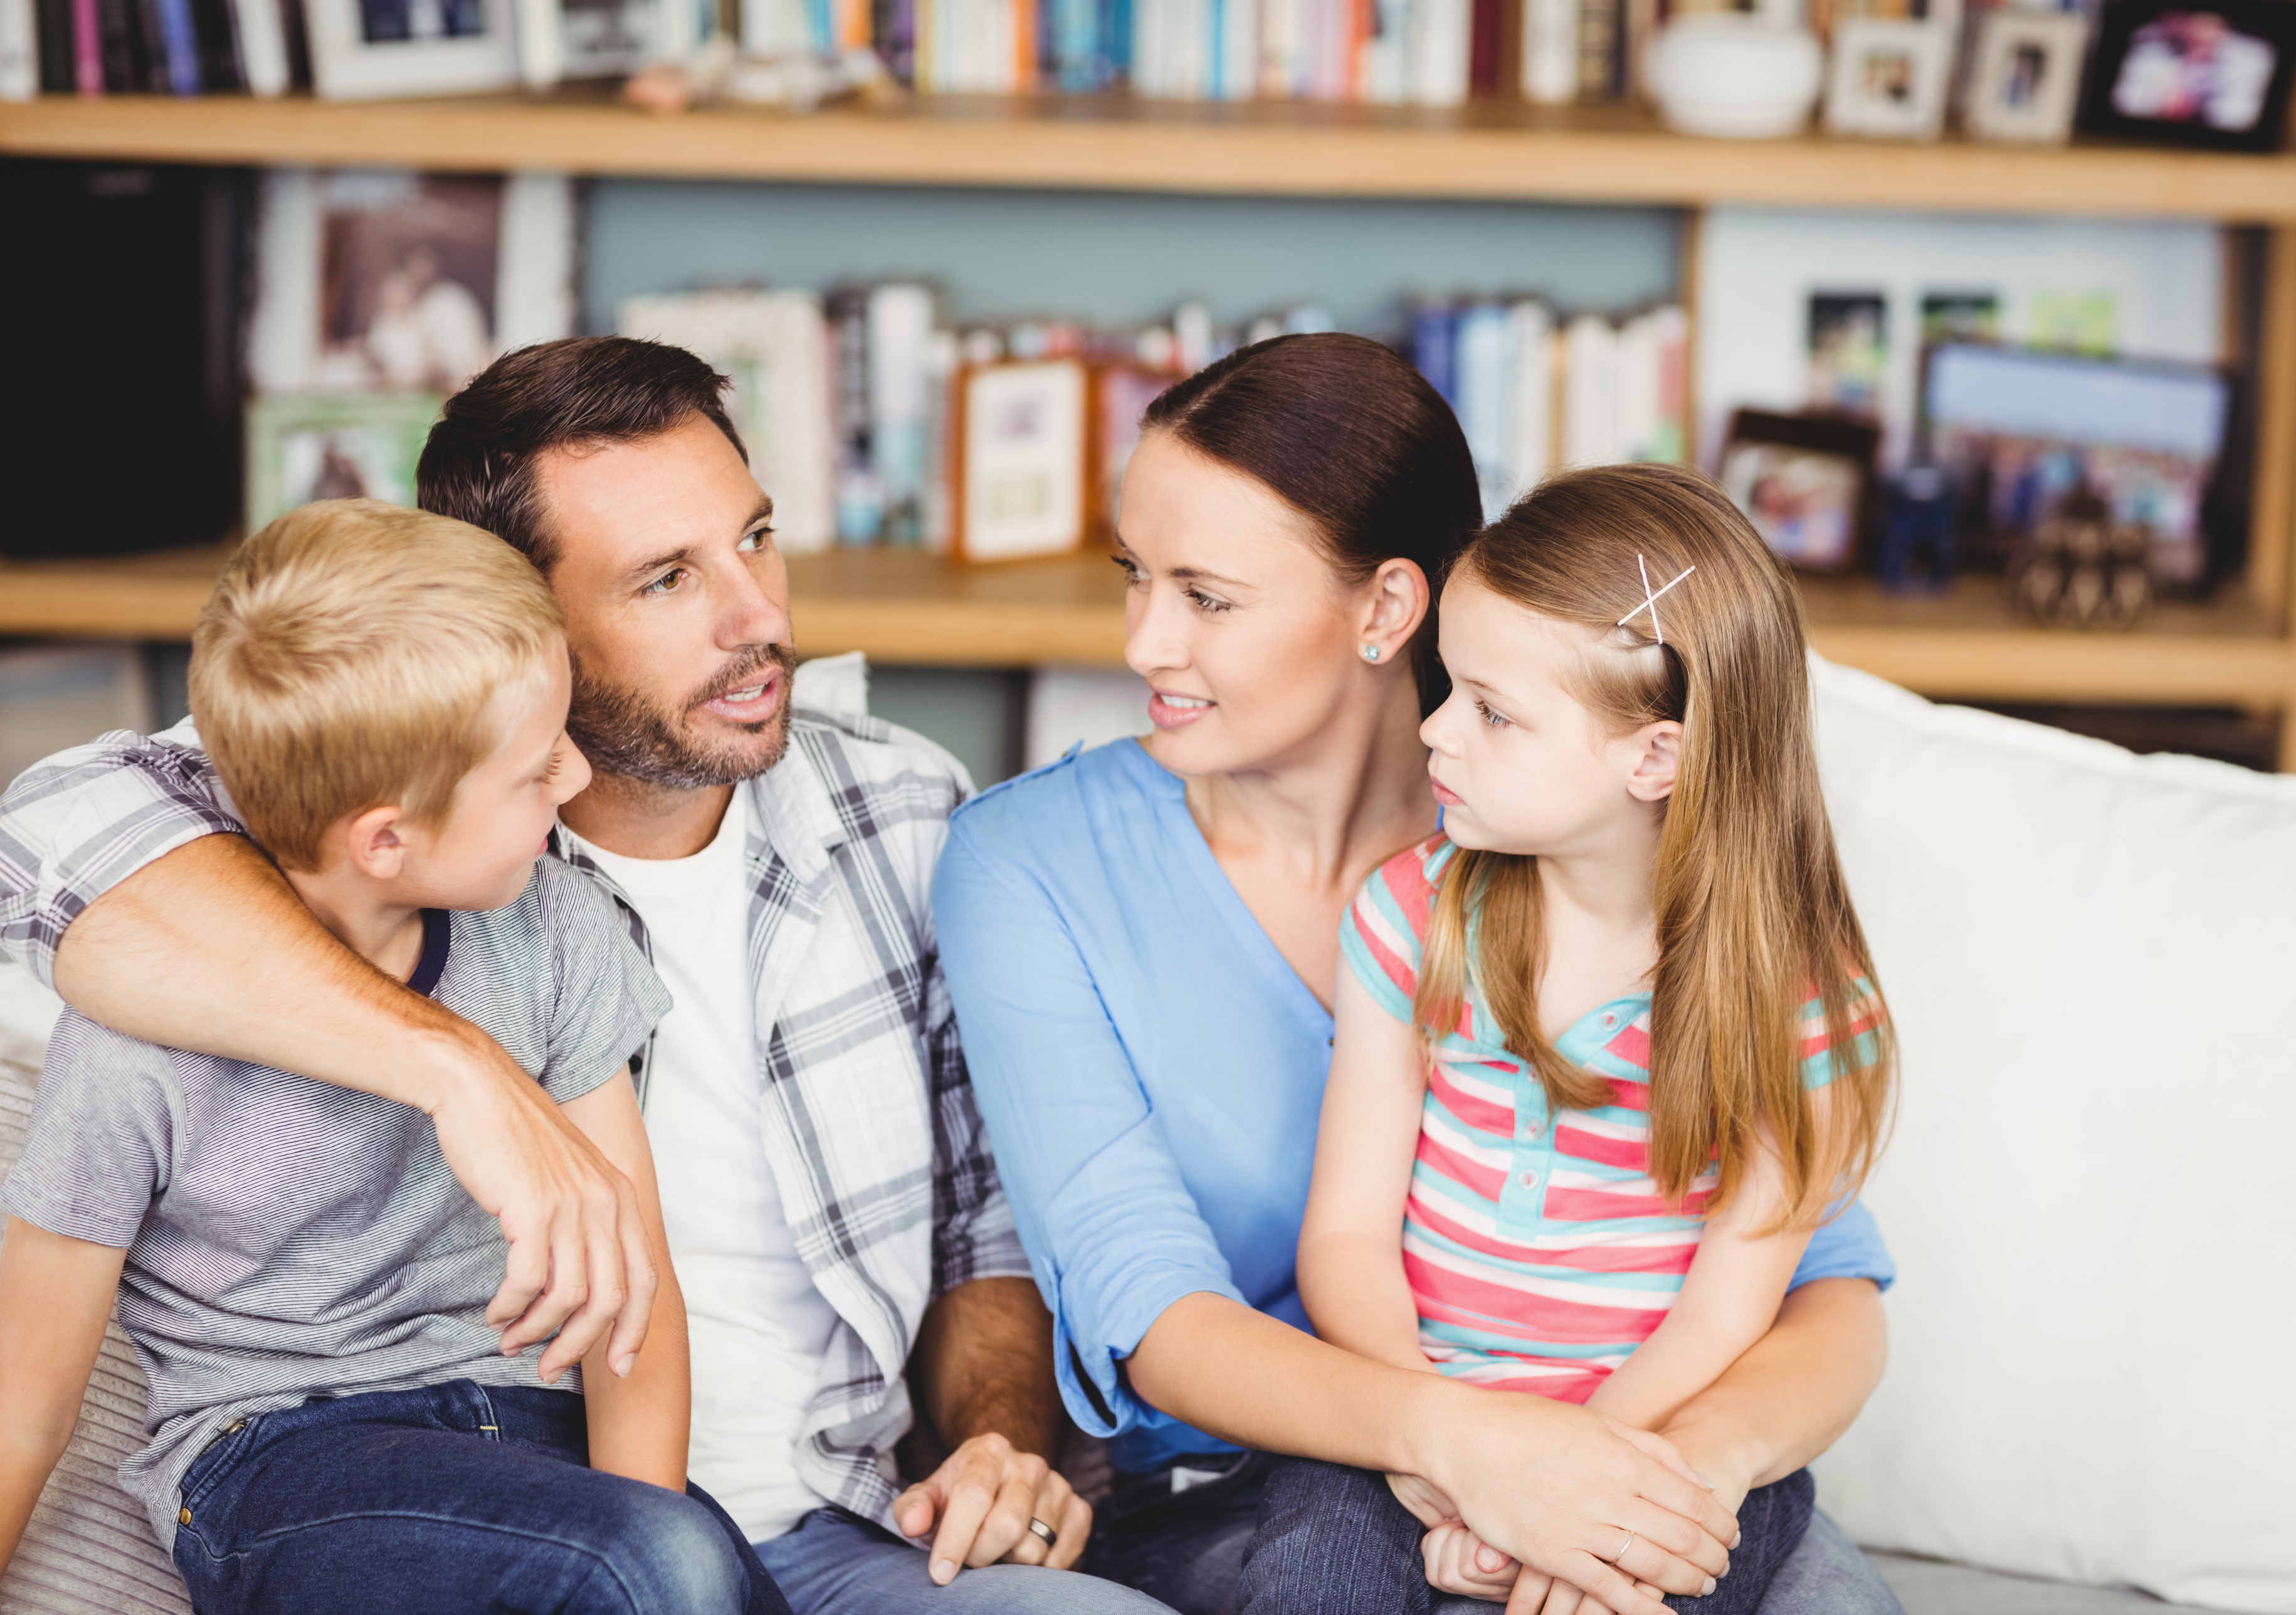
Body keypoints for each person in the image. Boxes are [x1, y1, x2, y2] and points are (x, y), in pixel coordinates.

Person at [0, 338, 1163, 1615]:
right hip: (431, 1496)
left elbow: (975, 1224)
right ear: (512, 620)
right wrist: (459, 1073)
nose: (760, 616)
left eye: (757, 538)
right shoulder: (362, 785)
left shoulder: (901, 808)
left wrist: (1004, 1440)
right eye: (667, 579)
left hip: (813, 1519)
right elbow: (50, 839)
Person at [932, 333, 1905, 1615]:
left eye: (1207, 596)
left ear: (1390, 609)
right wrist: (1471, 1453)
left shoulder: (1567, 840)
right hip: (1263, 1484)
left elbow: (1817, 1289)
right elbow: (1148, 1311)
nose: (1143, 643)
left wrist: (1660, 1475)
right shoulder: (1028, 861)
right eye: (1135, 575)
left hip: (1643, 1445)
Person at [0, 501, 783, 1614]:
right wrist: (652, 1558)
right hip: (278, 1461)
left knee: (682, 1568)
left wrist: (654, 1529)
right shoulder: (134, 1038)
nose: (572, 779)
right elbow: (24, 1401)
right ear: (386, 839)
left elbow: (631, 1305)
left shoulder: (557, 930)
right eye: (531, 770)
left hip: (542, 1443)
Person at [1257, 462, 1899, 1615]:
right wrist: (1444, 1462)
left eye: (1495, 713)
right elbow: (1347, 1235)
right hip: (1415, 1414)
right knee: (1311, 1581)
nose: (1436, 731)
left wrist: (1570, 1487)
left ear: (1654, 759)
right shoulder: (1411, 918)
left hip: (1654, 1436)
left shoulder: (1803, 1007)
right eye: (1451, 685)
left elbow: (1725, 1313)